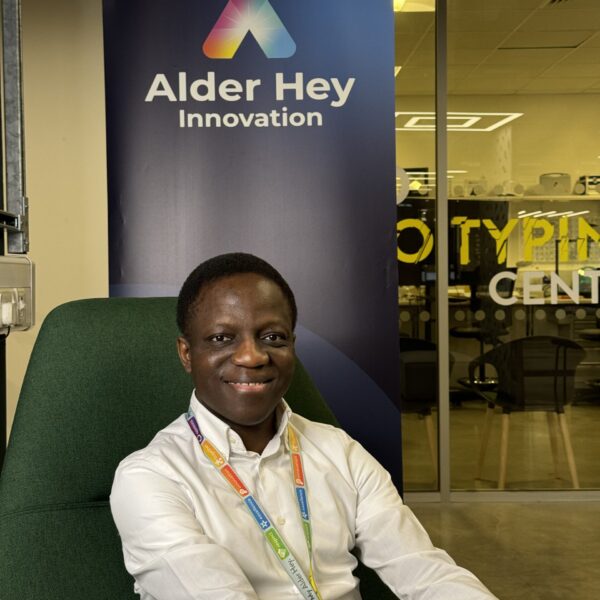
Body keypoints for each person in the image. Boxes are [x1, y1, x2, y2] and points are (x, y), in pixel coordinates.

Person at [110, 252, 497, 600]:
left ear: (292, 346)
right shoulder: (149, 478)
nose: (252, 356)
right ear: (186, 354)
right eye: (222, 338)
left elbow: (422, 569)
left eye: (272, 337)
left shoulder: (340, 452)